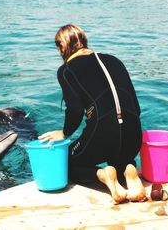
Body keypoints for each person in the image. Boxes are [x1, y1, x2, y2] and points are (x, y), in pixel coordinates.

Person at [39, 24, 146, 204]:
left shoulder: (66, 70)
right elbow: (136, 106)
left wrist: (65, 132)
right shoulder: (114, 60)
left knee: (68, 163)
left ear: (62, 46)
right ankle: (128, 169)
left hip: (104, 135)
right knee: (119, 153)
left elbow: (74, 109)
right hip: (133, 137)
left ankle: (103, 175)